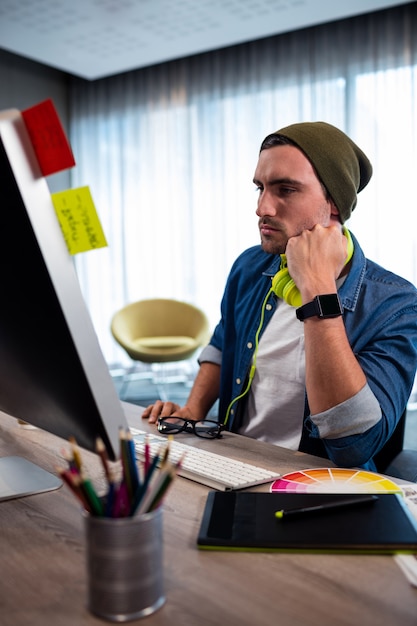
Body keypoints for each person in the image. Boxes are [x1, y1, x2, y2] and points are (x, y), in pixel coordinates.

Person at [142, 121, 417, 471]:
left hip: (318, 487)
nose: (262, 208)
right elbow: (224, 342)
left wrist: (318, 289)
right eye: (260, 188)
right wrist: (193, 410)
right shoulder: (250, 265)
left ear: (334, 202)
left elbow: (353, 446)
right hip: (233, 462)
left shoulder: (396, 303)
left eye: (285, 190)